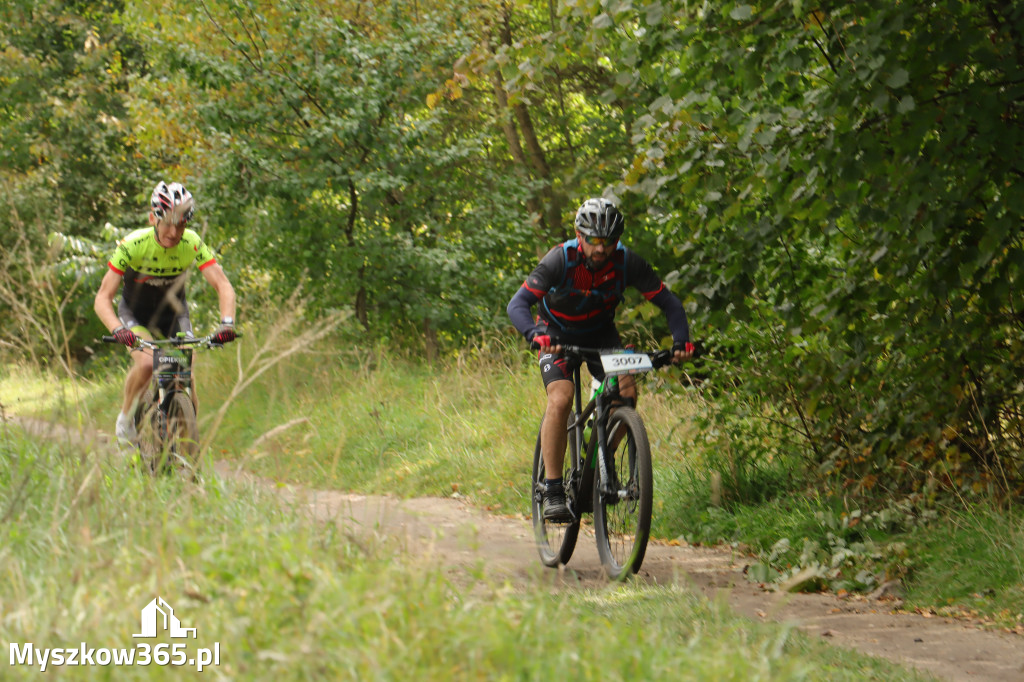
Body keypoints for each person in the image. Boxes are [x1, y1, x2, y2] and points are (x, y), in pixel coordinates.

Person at [506, 197, 694, 521]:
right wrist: (535, 335)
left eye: (608, 242)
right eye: (593, 240)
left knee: (627, 395)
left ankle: (601, 460)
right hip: (556, 335)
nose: (600, 249)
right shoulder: (559, 260)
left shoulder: (626, 263)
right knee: (562, 398)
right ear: (579, 236)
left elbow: (670, 303)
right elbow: (517, 304)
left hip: (600, 334)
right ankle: (552, 488)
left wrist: (681, 342)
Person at [94, 181, 238, 443]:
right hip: (135, 316)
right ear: (153, 218)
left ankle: (188, 449)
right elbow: (102, 298)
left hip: (173, 316)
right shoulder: (132, 245)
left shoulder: (192, 243)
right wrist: (118, 329)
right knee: (148, 364)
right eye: (168, 223)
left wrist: (226, 323)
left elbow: (223, 285)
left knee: (185, 375)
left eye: (181, 224)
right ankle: (125, 421)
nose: (174, 232)